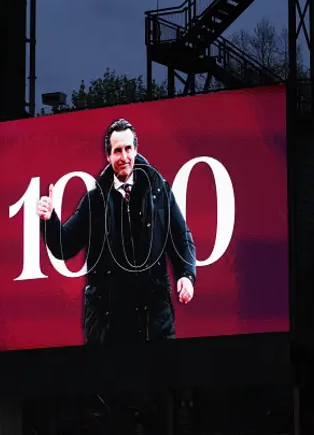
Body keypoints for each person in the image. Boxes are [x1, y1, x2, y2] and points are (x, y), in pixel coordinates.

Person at [37, 118, 196, 345]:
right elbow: (64, 247)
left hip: (154, 324)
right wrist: (50, 219)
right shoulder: (94, 201)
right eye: (117, 151)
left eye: (128, 149)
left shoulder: (159, 190)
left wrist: (186, 276)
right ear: (108, 156)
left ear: (136, 150)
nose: (124, 157)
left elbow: (182, 238)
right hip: (109, 328)